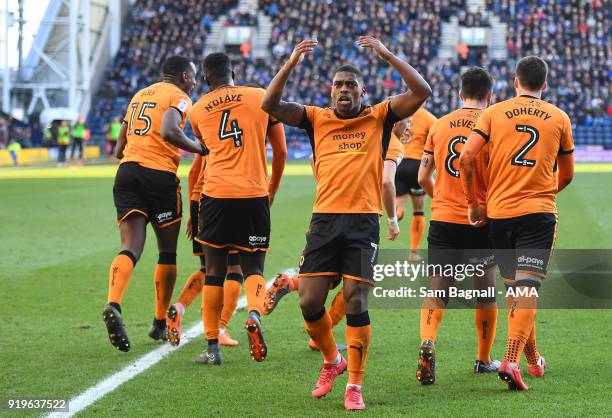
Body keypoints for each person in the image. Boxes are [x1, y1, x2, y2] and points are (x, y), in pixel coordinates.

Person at [261, 36, 431, 410]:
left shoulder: (380, 117)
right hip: (324, 221)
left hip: (362, 223)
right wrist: (290, 64)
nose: (343, 90)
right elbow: (269, 104)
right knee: (309, 301)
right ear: (330, 90)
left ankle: (355, 384)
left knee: (355, 300)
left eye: (351, 85)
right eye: (338, 85)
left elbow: (422, 90)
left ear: (362, 91)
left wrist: (387, 55)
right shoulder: (315, 118)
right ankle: (332, 361)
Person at [459, 56, 574, 391]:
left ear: (515, 81)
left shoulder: (493, 113)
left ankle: (533, 359)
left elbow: (466, 157)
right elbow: (566, 175)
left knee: (517, 291)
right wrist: (540, 190)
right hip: (537, 214)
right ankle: (511, 358)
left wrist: (473, 203)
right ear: (545, 84)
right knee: (527, 289)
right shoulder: (559, 117)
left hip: (499, 214)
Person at [263, 133, 406, 354]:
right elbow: (387, 181)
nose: (410, 123)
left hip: (328, 215)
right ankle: (330, 347)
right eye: (407, 118)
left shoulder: (354, 132)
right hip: (361, 220)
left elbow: (313, 157)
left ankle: (290, 285)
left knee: (326, 278)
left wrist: (326, 189)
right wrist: (392, 219)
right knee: (356, 284)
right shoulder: (391, 142)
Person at [102, 55, 206, 353]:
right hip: (159, 175)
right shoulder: (179, 96)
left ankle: (113, 303)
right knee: (167, 252)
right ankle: (159, 322)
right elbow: (169, 131)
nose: (195, 82)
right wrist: (200, 148)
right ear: (184, 76)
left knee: (130, 246)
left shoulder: (139, 95)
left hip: (127, 172)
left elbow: (120, 147)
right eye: (193, 77)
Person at [189, 52, 287, 365]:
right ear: (234, 71)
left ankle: (212, 348)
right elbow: (281, 150)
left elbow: (202, 156)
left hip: (215, 195)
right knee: (254, 269)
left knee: (215, 272)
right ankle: (255, 314)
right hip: (254, 194)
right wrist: (271, 189)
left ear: (206, 79)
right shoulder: (260, 97)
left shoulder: (197, 110)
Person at [415, 67, 500, 386]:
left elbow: (423, 177)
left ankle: (428, 340)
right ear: (490, 94)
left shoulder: (438, 125)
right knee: (485, 289)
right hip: (482, 218)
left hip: (443, 219)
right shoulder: (493, 124)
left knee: (438, 288)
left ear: (459, 92)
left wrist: (444, 200)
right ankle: (483, 359)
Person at [165, 153, 246, 349]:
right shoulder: (243, 131)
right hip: (228, 197)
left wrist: (193, 206)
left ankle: (179, 308)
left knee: (208, 268)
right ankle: (220, 329)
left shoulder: (208, 129)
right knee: (235, 268)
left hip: (200, 199)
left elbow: (194, 171)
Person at [394, 106, 437, 261]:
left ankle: (395, 215)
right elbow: (436, 142)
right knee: (419, 210)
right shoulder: (429, 117)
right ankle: (413, 253)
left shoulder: (399, 112)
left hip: (398, 164)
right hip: (416, 166)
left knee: (399, 206)